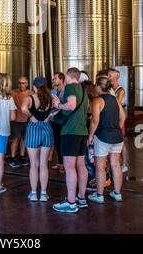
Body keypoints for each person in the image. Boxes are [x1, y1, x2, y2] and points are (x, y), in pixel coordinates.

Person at [52, 67, 89, 213]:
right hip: (82, 131)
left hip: (70, 132)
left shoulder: (70, 87)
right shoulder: (83, 90)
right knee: (81, 165)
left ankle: (71, 202)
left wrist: (58, 105)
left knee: (69, 167)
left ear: (67, 76)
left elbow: (72, 105)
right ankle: (81, 198)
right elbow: (86, 109)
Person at [88, 75, 125, 203]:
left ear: (99, 86)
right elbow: (123, 118)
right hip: (117, 137)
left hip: (102, 137)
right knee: (115, 165)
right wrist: (115, 128)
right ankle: (117, 193)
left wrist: (90, 135)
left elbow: (95, 120)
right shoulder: (115, 100)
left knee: (100, 166)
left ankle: (99, 195)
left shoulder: (97, 101)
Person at [22, 77, 54, 202]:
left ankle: (34, 193)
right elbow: (57, 108)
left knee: (34, 164)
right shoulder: (51, 98)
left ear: (34, 86)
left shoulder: (30, 98)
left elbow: (24, 108)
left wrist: (31, 115)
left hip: (33, 128)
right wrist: (50, 116)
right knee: (43, 164)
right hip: (46, 128)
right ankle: (44, 194)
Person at [9, 76, 32, 168]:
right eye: (19, 83)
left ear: (27, 84)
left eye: (23, 83)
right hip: (16, 120)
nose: (21, 85)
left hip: (27, 120)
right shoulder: (13, 93)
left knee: (24, 139)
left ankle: (22, 156)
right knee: (15, 139)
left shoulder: (31, 93)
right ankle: (13, 157)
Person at [108, 69, 128, 173]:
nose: (108, 76)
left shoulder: (121, 90)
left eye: (110, 75)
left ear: (116, 77)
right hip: (111, 118)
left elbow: (118, 103)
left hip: (119, 118)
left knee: (121, 142)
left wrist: (111, 95)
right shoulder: (109, 89)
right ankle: (113, 163)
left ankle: (124, 164)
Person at [50, 72, 65, 173]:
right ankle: (60, 163)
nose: (53, 80)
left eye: (55, 78)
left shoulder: (67, 91)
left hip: (64, 120)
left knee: (64, 142)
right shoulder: (53, 91)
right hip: (54, 119)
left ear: (61, 79)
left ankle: (65, 165)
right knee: (57, 142)